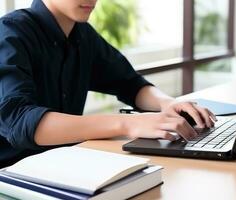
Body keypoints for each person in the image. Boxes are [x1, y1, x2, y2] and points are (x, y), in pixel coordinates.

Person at [0, 0, 216, 167]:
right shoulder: (10, 33)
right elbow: (20, 121)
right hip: (11, 175)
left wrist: (167, 103)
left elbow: (130, 83)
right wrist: (128, 123)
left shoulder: (83, 35)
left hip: (62, 166)